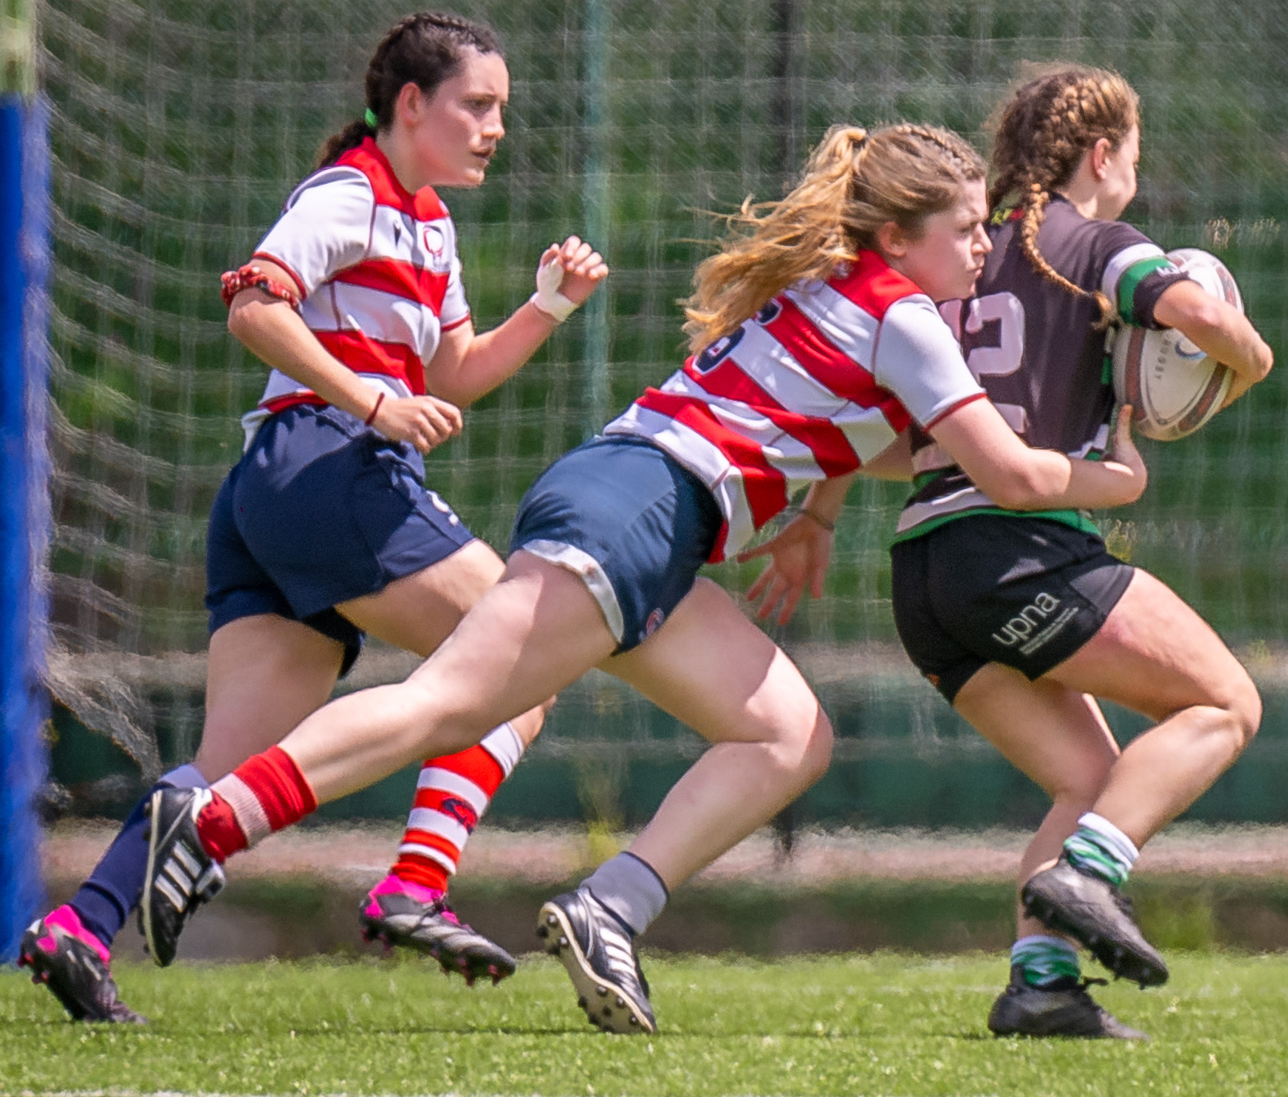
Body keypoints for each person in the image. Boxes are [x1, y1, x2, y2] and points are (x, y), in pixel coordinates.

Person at [134, 121, 1150, 1035]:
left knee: (788, 733)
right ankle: (211, 817)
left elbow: (863, 438)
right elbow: (1006, 471)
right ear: (896, 238)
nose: (983, 246)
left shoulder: (836, 293)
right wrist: (1117, 472)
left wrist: (813, 510)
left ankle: (607, 906)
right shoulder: (904, 316)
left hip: (650, 512)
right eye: (966, 228)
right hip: (637, 508)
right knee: (449, 705)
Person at [17, 12, 607, 1023]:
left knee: (227, 768)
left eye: (501, 110)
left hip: (272, 494)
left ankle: (79, 926)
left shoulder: (427, 223)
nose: (494, 127)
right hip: (330, 466)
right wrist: (372, 401)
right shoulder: (348, 196)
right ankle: (415, 881)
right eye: (476, 105)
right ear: (408, 105)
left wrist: (547, 304)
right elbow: (253, 301)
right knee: (528, 656)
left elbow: (456, 371)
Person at [889, 65, 1273, 1039]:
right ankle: (1091, 871)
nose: (1134, 183)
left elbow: (892, 430)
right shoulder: (1088, 243)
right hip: (1019, 548)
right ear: (1101, 156)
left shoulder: (964, 255)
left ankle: (1041, 984)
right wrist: (1247, 358)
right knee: (1224, 702)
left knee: (1091, 772)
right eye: (1133, 162)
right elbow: (1191, 313)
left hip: (923, 574)